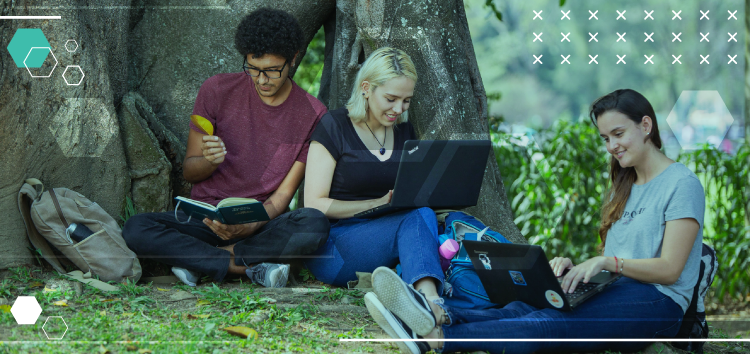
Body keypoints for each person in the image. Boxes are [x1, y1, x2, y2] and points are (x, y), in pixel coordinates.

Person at [365, 89, 706, 354]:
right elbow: (623, 260)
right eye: (605, 138)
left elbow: (670, 269)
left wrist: (608, 261)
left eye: (618, 134)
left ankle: (437, 339)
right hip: (616, 287)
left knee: (545, 324)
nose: (612, 147)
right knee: (521, 306)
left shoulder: (681, 184)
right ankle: (435, 313)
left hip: (659, 302)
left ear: (645, 125)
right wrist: (579, 269)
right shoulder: (625, 184)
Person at [122, 8, 330, 288]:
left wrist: (252, 225)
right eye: (253, 69)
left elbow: (282, 197)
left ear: (293, 59)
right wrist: (209, 161)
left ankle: (202, 263)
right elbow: (191, 171)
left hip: (259, 225)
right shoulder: (217, 90)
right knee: (136, 228)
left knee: (313, 224)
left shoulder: (314, 113)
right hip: (204, 221)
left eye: (272, 70)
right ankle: (248, 269)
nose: (262, 80)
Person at [303, 47, 445, 330]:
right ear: (366, 88)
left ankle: (413, 299)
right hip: (333, 247)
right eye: (390, 99)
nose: (398, 109)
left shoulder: (405, 132)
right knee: (416, 217)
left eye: (406, 101)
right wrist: (377, 203)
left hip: (386, 236)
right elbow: (313, 204)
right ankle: (430, 304)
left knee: (427, 214)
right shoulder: (334, 126)